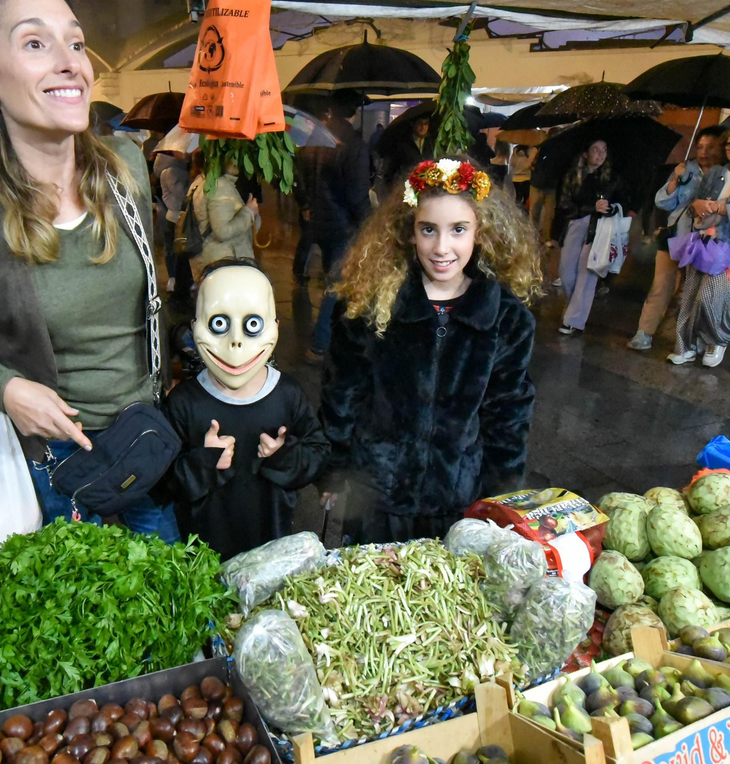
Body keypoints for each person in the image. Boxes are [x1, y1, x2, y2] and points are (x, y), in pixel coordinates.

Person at [0, 0, 178, 539]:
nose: (70, 62)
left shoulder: (126, 168)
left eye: (76, 43)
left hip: (146, 438)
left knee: (175, 608)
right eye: (35, 43)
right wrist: (8, 389)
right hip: (51, 464)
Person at [320, 158, 540, 544]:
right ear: (409, 232)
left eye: (458, 230)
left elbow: (508, 415)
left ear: (481, 231)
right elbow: (343, 392)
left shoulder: (507, 319)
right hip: (378, 497)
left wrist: (501, 495)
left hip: (457, 500)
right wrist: (334, 470)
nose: (442, 247)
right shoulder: (369, 306)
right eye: (428, 230)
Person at [164, 261, 328, 559]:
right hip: (205, 553)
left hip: (272, 547)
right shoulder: (183, 402)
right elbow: (163, 483)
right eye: (219, 324)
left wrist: (284, 456)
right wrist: (203, 462)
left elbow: (318, 454)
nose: (236, 341)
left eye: (252, 324)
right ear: (194, 327)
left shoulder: (287, 395)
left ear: (275, 326)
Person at [656, 125, 730, 367]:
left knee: (710, 297)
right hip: (704, 239)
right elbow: (697, 202)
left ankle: (715, 340)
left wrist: (719, 207)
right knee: (688, 295)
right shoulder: (716, 171)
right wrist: (698, 205)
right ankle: (684, 346)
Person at [629, 127, 724, 350]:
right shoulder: (686, 169)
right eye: (700, 147)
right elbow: (663, 202)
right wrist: (675, 182)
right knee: (661, 285)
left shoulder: (724, 174)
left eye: (710, 147)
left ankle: (689, 339)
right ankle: (644, 333)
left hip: (704, 240)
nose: (704, 152)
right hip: (675, 235)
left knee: (694, 292)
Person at [303, 90, 373, 361]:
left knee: (334, 281)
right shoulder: (354, 144)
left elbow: (307, 178)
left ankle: (331, 336)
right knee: (336, 285)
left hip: (320, 221)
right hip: (344, 225)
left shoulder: (317, 139)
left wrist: (307, 205)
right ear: (354, 112)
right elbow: (357, 193)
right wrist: (367, 223)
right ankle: (320, 345)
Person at [555, 139, 626, 335]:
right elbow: (564, 203)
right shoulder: (573, 176)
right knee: (567, 272)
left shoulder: (612, 178)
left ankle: (573, 320)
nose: (600, 153)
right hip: (576, 223)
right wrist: (590, 207)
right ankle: (573, 308)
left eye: (604, 149)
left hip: (600, 228)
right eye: (595, 149)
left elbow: (623, 202)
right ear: (585, 154)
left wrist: (610, 208)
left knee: (587, 273)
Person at [188, 162, 259, 276]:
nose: (237, 162)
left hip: (215, 261)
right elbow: (223, 231)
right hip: (226, 262)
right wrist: (249, 212)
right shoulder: (219, 186)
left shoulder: (200, 182)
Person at [153, 149, 190, 293]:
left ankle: (175, 278)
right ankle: (174, 279)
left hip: (172, 215)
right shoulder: (171, 171)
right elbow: (180, 194)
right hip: (175, 216)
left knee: (173, 249)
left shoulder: (172, 169)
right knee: (175, 250)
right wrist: (190, 182)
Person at [509, 144, 534, 208]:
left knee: (518, 196)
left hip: (516, 177)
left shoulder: (515, 149)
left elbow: (512, 162)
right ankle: (524, 212)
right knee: (526, 197)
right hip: (527, 177)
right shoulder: (532, 149)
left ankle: (517, 211)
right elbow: (531, 163)